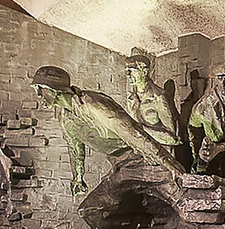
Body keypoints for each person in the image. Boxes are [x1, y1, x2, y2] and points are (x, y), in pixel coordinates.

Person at [30, 65, 183, 199]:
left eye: (41, 90)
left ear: (55, 90)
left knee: (94, 209)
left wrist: (169, 163)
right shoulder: (65, 118)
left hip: (137, 156)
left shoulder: (93, 104)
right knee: (92, 209)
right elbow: (75, 148)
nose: (38, 95)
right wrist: (78, 178)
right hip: (119, 163)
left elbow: (133, 133)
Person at [123, 52, 180, 146]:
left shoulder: (159, 97)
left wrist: (142, 130)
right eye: (127, 71)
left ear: (144, 72)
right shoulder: (132, 99)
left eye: (132, 70)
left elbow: (172, 138)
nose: (128, 75)